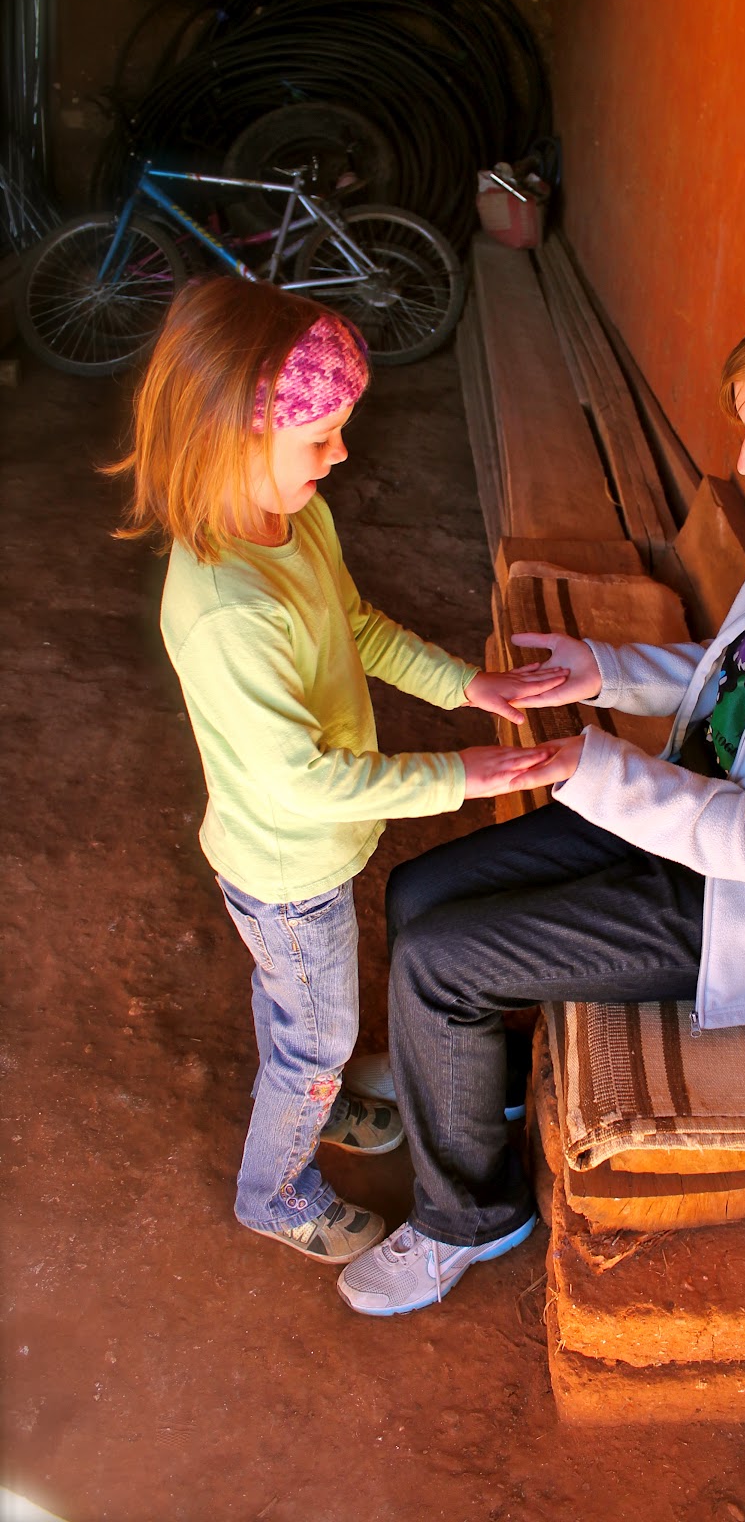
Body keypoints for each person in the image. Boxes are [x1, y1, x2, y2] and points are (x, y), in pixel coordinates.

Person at [335, 280, 745, 1316]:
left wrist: (592, 768)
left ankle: (469, 1216)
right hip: (684, 812)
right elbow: (744, 676)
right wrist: (601, 671)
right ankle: (471, 1085)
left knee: (437, 962)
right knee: (417, 896)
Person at [108, 277, 563, 1265]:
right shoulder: (230, 611)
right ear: (233, 439)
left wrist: (465, 685)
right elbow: (304, 782)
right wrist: (463, 774)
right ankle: (276, 1193)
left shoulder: (293, 519)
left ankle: (316, 1090)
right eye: (319, 438)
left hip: (304, 856)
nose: (341, 454)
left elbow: (355, 626)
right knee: (313, 1041)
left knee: (301, 1010)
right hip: (288, 869)